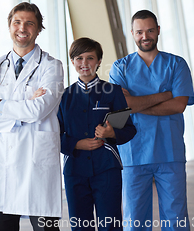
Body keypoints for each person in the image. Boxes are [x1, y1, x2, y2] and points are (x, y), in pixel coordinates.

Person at [0, 2, 65, 231]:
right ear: (9, 26)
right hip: (3, 161)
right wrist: (24, 109)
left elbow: (39, 110)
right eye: (17, 22)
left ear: (38, 29)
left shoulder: (51, 66)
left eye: (29, 23)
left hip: (37, 162)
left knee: (46, 228)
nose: (22, 28)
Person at [109, 10, 194, 231]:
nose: (145, 36)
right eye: (139, 32)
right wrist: (165, 95)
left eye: (149, 30)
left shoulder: (177, 64)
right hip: (133, 154)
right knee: (134, 220)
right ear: (132, 33)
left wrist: (135, 104)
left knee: (175, 218)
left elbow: (179, 105)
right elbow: (121, 108)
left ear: (158, 30)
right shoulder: (120, 68)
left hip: (170, 152)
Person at [57, 38, 136, 231]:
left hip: (107, 168)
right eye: (79, 58)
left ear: (99, 61)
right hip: (74, 170)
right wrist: (76, 144)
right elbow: (53, 136)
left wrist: (111, 133)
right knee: (80, 226)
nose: (84, 63)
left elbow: (129, 129)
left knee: (111, 225)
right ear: (73, 61)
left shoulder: (113, 92)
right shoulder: (62, 97)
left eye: (90, 58)